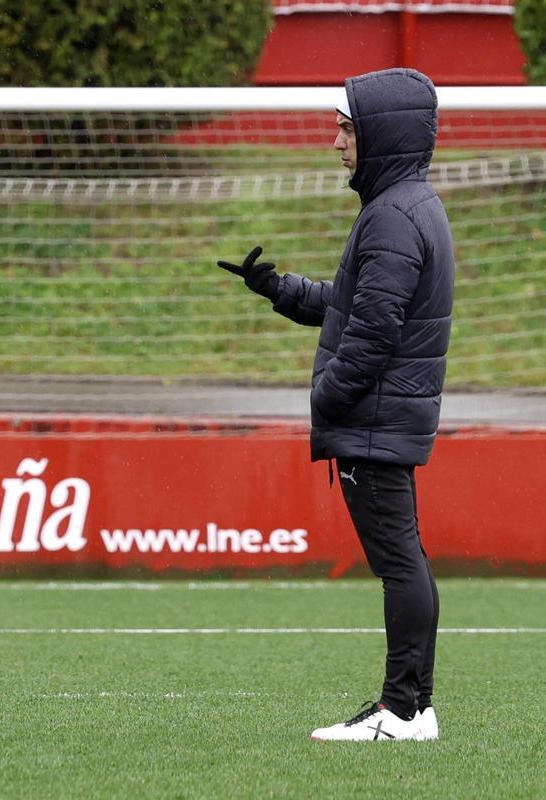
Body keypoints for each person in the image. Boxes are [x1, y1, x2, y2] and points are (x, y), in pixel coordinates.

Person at [216, 68, 454, 742]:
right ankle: (414, 707)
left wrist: (325, 397)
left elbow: (372, 334)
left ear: (381, 133)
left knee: (399, 562)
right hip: (380, 418)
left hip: (373, 422)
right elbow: (351, 308)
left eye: (346, 129)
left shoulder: (394, 217)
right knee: (404, 560)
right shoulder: (401, 207)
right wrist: (279, 289)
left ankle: (403, 711)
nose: (335, 143)